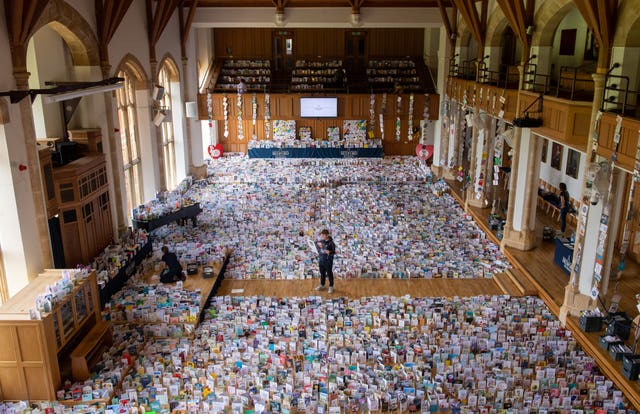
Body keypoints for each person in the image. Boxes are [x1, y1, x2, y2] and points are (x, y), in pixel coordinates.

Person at [314, 229, 336, 293]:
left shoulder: (331, 243)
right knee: (322, 273)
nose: (322, 236)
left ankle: (331, 286)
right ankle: (322, 284)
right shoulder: (321, 241)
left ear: (327, 235)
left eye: (323, 235)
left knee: (329, 273)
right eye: (321, 235)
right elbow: (316, 244)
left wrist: (329, 251)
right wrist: (317, 245)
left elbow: (333, 252)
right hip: (321, 259)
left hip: (328, 260)